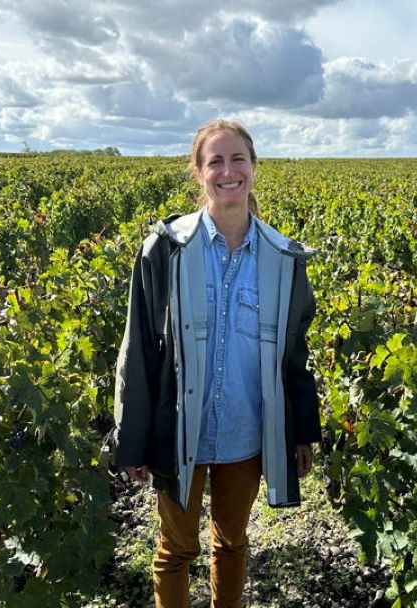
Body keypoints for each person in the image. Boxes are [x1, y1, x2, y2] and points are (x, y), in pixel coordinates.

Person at [112, 119, 321, 607]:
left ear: (254, 166)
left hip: (244, 432)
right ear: (199, 172)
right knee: (176, 550)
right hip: (177, 429)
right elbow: (138, 349)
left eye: (237, 159)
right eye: (216, 162)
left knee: (232, 542)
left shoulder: (283, 258)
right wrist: (132, 438)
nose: (228, 171)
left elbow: (293, 352)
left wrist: (301, 430)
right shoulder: (166, 249)